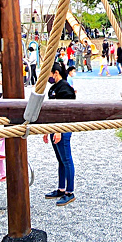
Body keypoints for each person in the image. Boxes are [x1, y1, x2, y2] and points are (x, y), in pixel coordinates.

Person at [43, 66, 77, 206]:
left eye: (50, 74)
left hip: (62, 128)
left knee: (66, 159)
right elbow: (51, 111)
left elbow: (66, 111)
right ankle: (61, 188)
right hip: (54, 127)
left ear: (55, 73)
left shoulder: (64, 88)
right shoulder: (54, 88)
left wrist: (59, 130)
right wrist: (47, 129)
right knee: (60, 159)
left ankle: (70, 192)